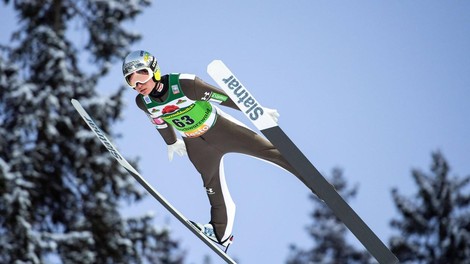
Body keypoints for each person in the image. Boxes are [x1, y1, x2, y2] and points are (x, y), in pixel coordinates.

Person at [122, 50, 310, 249]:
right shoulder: (143, 102)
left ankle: (314, 182)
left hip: (222, 129)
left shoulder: (184, 84)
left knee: (269, 152)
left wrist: (256, 110)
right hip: (195, 144)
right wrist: (171, 141)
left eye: (141, 75)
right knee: (212, 187)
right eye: (131, 81)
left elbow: (223, 98)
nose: (138, 85)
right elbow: (158, 120)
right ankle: (220, 233)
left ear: (154, 70)